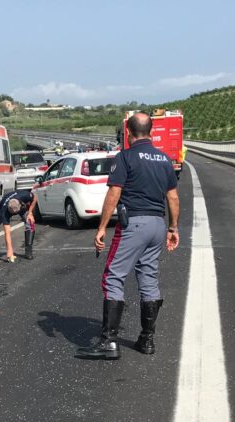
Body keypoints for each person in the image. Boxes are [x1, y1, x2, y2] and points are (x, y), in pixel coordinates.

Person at [77, 112, 180, 360]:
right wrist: (173, 228)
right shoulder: (164, 159)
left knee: (113, 276)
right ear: (152, 131)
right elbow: (173, 197)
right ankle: (147, 340)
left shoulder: (125, 157)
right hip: (157, 223)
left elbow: (114, 192)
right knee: (148, 279)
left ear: (128, 133)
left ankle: (109, 342)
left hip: (133, 222)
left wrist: (102, 226)